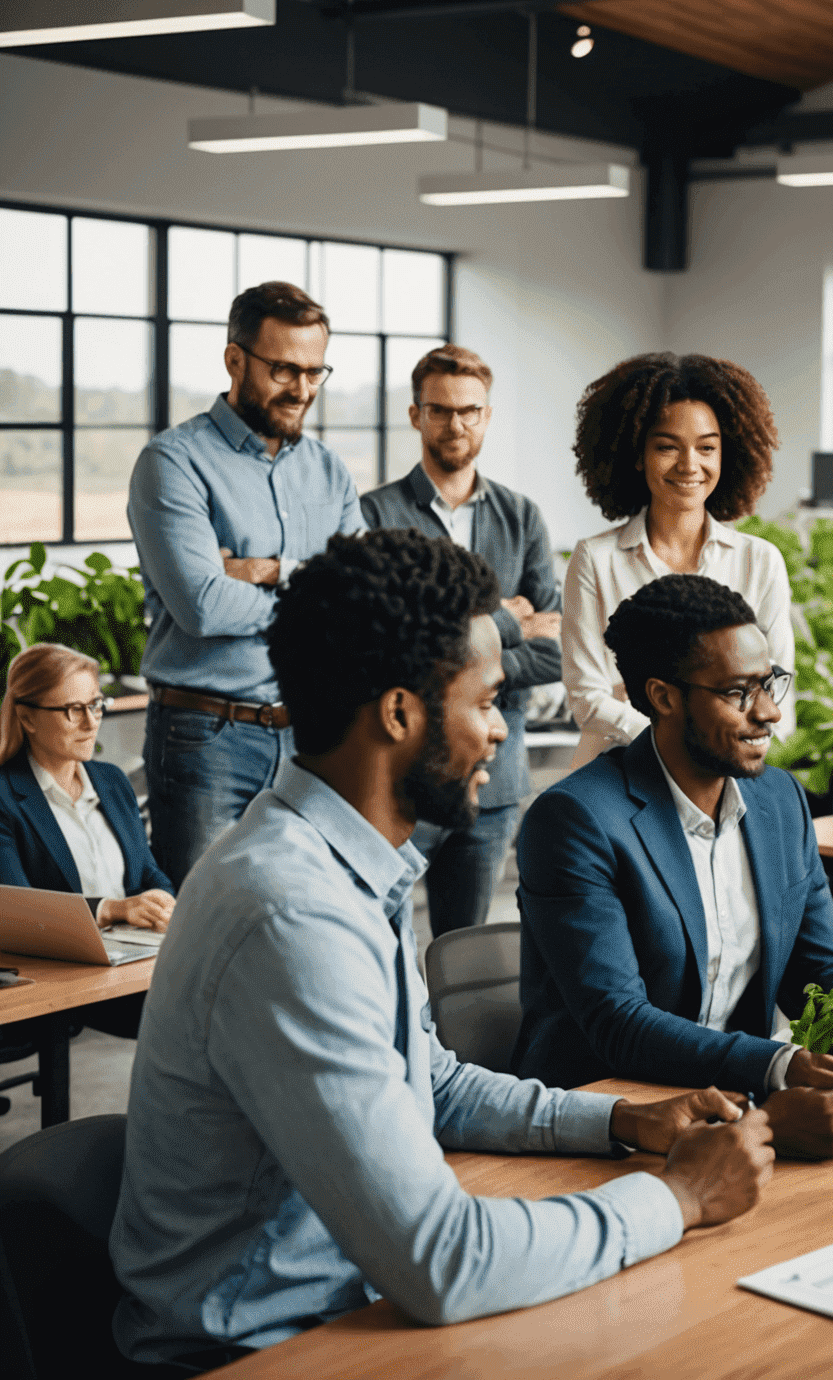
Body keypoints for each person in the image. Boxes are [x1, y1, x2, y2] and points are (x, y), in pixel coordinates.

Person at [110, 529, 775, 1368]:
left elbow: (434, 1083)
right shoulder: (291, 913)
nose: (500, 733)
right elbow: (440, 1258)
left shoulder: (341, 864)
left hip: (356, 1309)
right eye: (488, 700)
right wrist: (677, 1197)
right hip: (265, 1352)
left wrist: (622, 1121)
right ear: (400, 714)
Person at [514, 574, 833, 1157]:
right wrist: (780, 1065)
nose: (770, 712)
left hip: (735, 1108)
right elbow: (617, 1022)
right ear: (662, 696)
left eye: (770, 683)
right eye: (738, 692)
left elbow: (819, 968)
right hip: (613, 1119)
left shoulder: (779, 801)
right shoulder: (575, 819)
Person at [127, 281, 363, 888]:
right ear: (235, 359)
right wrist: (314, 586)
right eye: (285, 369)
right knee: (201, 932)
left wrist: (268, 569)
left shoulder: (327, 470)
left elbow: (360, 595)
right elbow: (203, 605)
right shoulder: (173, 463)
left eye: (316, 371)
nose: (303, 390)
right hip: (207, 739)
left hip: (311, 736)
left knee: (301, 924)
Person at [360, 344, 561, 936]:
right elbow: (385, 643)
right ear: (416, 415)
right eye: (441, 410)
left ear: (487, 415)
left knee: (463, 953)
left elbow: (552, 648)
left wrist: (439, 649)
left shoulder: (522, 516)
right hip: (403, 770)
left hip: (493, 779)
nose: (456, 425)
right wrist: (502, 626)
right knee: (379, 940)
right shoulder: (376, 514)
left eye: (470, 410)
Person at [564, 353, 794, 770]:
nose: (690, 465)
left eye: (707, 448)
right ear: (637, 454)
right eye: (667, 447)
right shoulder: (595, 560)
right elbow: (587, 698)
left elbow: (777, 695)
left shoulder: (758, 561)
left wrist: (641, 707)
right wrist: (703, 726)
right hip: (615, 777)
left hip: (720, 779)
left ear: (728, 454)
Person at [0, 642, 174, 1041]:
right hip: (67, 980)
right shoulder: (6, 796)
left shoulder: (112, 780)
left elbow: (147, 872)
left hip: (136, 963)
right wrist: (114, 909)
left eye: (96, 705)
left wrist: (161, 901)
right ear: (26, 717)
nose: (91, 722)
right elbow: (19, 913)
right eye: (72, 710)